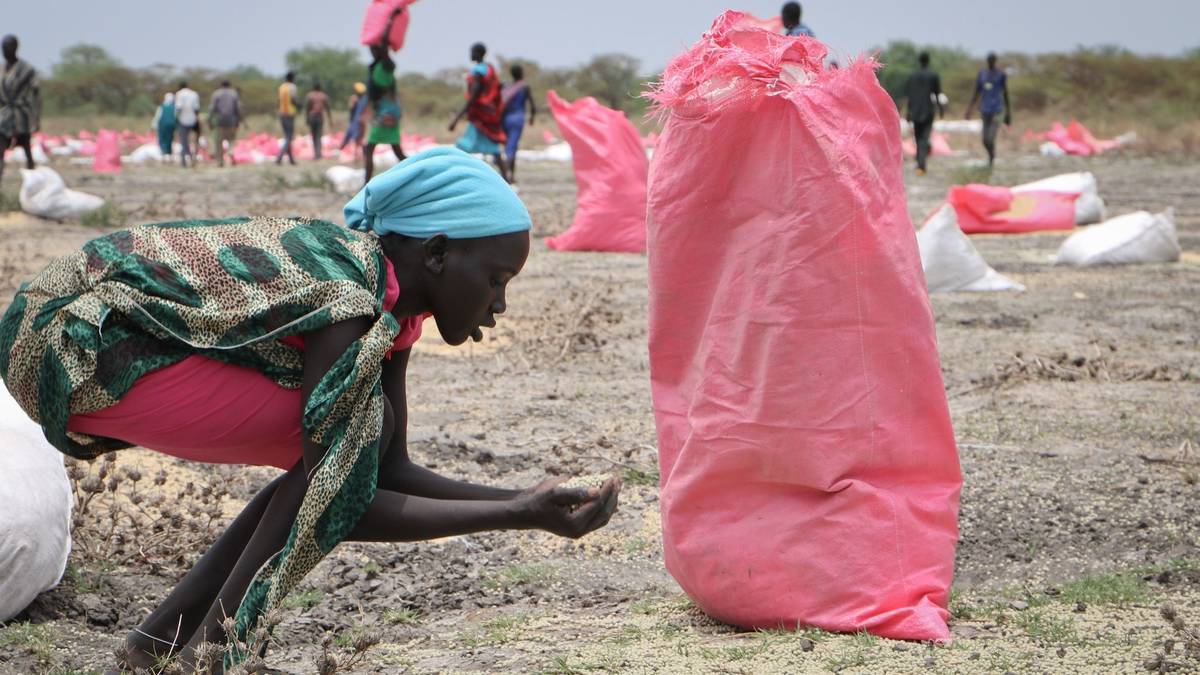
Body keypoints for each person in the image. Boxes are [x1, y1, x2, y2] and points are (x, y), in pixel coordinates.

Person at [0, 147, 621, 674]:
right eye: (495, 279)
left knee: (355, 439)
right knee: (347, 445)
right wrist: (516, 513)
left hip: (93, 343)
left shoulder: (393, 311)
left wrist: (525, 499)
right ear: (436, 254)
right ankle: (211, 654)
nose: (500, 304)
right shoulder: (349, 296)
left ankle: (156, 644)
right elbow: (341, 498)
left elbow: (389, 471)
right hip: (70, 343)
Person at [450, 43, 508, 182]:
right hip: (488, 114)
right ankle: (506, 180)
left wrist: (457, 117)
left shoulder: (478, 72)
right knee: (492, 149)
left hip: (480, 116)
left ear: (477, 53)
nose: (470, 55)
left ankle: (457, 178)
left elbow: (474, 96)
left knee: (462, 147)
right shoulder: (490, 69)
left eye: (472, 52)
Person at [363, 7, 407, 181]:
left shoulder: (387, 65)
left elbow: (383, 41)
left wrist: (390, 18)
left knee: (371, 148)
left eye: (376, 49)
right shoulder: (377, 67)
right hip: (384, 112)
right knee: (396, 151)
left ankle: (366, 184)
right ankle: (417, 175)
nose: (372, 51)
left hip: (386, 114)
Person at [0, 35, 40, 186]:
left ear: (15, 48)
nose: (4, 50)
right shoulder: (1, 67)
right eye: (3, 47)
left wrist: (36, 118)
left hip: (21, 114)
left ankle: (34, 183)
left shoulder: (26, 68)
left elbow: (37, 93)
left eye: (8, 47)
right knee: (0, 149)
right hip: (5, 114)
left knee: (26, 150)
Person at [965, 52, 1011, 167]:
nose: (991, 62)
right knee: (985, 140)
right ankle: (991, 154)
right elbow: (976, 92)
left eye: (993, 60)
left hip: (996, 110)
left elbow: (1005, 93)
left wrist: (1008, 113)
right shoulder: (982, 74)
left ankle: (991, 158)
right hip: (985, 110)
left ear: (995, 61)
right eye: (989, 60)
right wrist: (969, 109)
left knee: (991, 138)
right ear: (987, 61)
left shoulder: (1001, 75)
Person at [904, 52, 944, 176]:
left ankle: (920, 162)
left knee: (918, 138)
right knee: (924, 138)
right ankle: (921, 164)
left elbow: (910, 96)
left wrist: (908, 111)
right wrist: (940, 108)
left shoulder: (912, 76)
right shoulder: (933, 75)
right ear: (928, 61)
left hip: (916, 111)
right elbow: (936, 95)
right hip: (928, 110)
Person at [500, 64, 536, 186]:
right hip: (517, 119)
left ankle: (511, 176)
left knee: (509, 147)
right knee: (512, 147)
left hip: (505, 120)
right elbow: (532, 104)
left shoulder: (508, 87)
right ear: (521, 73)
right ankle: (505, 176)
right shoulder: (524, 87)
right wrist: (532, 117)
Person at [209, 79, 242, 168]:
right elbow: (237, 108)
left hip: (220, 120)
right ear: (230, 85)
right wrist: (238, 120)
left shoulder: (216, 94)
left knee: (219, 142)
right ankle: (231, 153)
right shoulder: (234, 94)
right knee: (231, 139)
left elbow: (212, 108)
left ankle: (220, 162)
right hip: (231, 120)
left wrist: (210, 119)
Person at [174, 81, 201, 168]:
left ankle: (185, 159)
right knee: (194, 140)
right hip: (193, 119)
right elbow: (196, 108)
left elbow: (179, 107)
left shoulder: (179, 94)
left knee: (184, 140)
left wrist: (176, 118)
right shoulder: (194, 94)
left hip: (183, 120)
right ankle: (191, 157)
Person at [275, 71, 299, 166]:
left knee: (287, 136)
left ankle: (291, 159)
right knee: (289, 136)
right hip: (289, 113)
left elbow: (279, 100)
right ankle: (279, 157)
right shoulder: (292, 87)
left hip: (282, 113)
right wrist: (298, 105)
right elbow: (293, 100)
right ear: (292, 78)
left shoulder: (282, 87)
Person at [304, 81, 333, 160]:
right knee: (319, 135)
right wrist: (330, 119)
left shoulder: (310, 96)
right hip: (319, 117)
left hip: (312, 116)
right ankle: (318, 153)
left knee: (314, 135)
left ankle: (316, 153)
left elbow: (307, 108)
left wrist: (306, 118)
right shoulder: (323, 96)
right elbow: (328, 108)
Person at [341, 82, 368, 158]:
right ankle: (358, 153)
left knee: (360, 138)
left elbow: (364, 110)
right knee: (356, 137)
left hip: (359, 121)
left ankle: (361, 153)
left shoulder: (363, 99)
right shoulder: (357, 99)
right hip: (357, 121)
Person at [150, 92, 176, 162]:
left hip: (163, 125)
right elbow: (176, 116)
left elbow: (158, 116)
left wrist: (153, 125)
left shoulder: (162, 106)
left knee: (162, 138)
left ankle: (164, 153)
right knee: (169, 139)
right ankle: (169, 154)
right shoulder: (174, 107)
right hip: (172, 125)